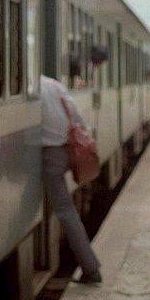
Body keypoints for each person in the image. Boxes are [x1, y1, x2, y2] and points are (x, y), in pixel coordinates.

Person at [40, 74, 102, 284]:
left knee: (65, 211)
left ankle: (91, 269)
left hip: (50, 155)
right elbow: (77, 117)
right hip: (68, 149)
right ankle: (90, 267)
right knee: (67, 210)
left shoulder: (30, 89)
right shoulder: (54, 85)